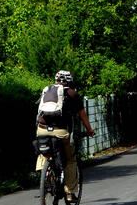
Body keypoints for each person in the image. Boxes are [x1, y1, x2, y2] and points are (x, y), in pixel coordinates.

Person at [35, 70, 95, 198]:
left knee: (44, 152)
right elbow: (82, 115)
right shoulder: (72, 94)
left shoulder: (47, 90)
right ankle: (70, 192)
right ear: (70, 81)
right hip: (60, 131)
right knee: (70, 159)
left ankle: (45, 176)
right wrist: (89, 130)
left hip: (41, 129)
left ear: (56, 80)